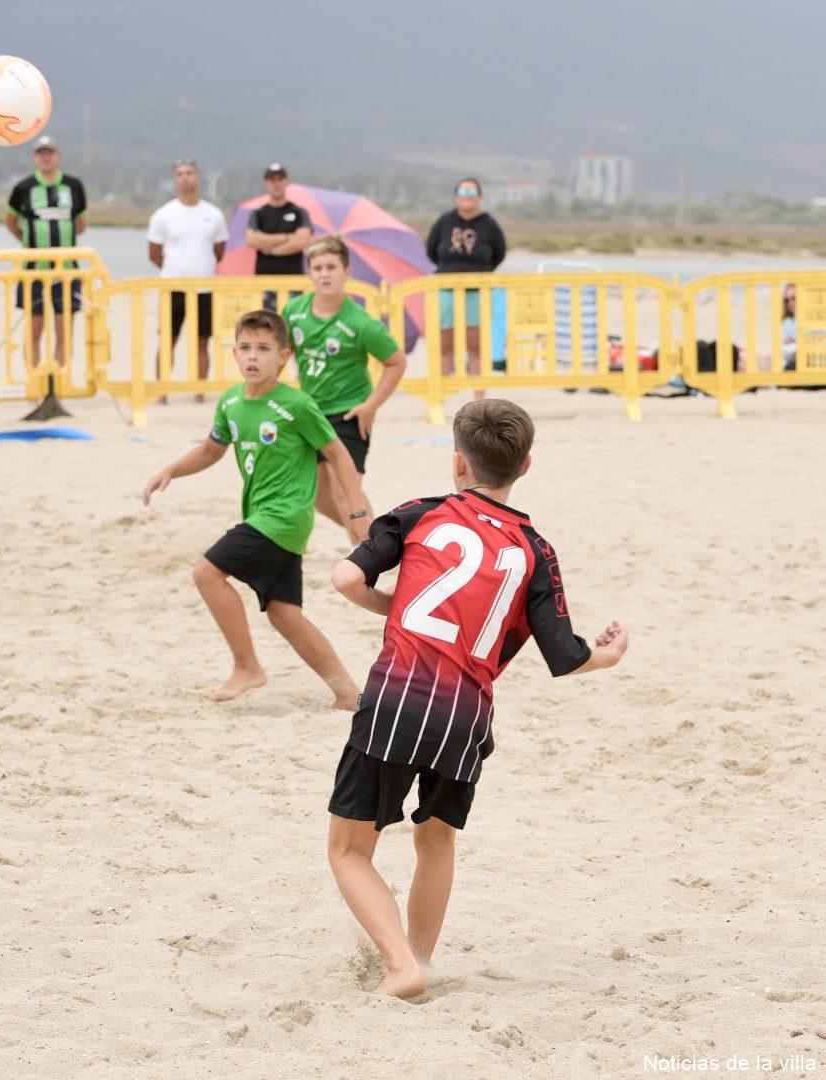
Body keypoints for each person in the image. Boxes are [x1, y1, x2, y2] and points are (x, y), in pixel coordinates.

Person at [325, 398, 628, 998]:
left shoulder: (422, 514)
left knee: (349, 850)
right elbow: (565, 656)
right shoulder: (535, 550)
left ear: (458, 462)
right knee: (435, 836)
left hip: (397, 699)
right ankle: (420, 958)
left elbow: (345, 579)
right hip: (466, 716)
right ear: (526, 466)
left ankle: (399, 966)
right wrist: (609, 656)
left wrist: (396, 608)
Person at [143, 309, 370, 706]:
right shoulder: (231, 402)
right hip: (264, 518)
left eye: (263, 349)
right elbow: (211, 450)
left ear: (283, 356)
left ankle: (247, 667)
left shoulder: (296, 404)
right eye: (245, 348)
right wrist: (172, 471)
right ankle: (348, 693)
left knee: (206, 573)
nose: (252, 356)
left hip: (283, 518)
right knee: (285, 614)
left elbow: (338, 455)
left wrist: (356, 512)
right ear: (234, 353)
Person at [283, 236, 406, 539]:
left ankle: (367, 550)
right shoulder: (294, 312)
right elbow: (282, 354)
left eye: (331, 267)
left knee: (345, 493)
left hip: (348, 413)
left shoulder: (361, 322)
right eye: (318, 267)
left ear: (347, 272)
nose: (324, 273)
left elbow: (396, 362)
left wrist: (370, 405)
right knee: (310, 492)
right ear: (310, 273)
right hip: (310, 412)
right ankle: (374, 539)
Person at [5, 135, 88, 377]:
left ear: (58, 156)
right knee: (34, 329)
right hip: (34, 271)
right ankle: (35, 381)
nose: (46, 157)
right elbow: (11, 222)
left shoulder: (74, 186)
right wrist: (30, 241)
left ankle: (58, 381)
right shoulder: (24, 188)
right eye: (41, 153)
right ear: (35, 157)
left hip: (67, 269)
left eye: (50, 152)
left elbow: (81, 223)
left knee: (64, 330)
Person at [146, 159, 229, 399]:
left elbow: (219, 250)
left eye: (189, 173)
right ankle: (162, 391)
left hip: (204, 287)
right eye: (180, 174)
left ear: (198, 177)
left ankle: (200, 391)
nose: (185, 178)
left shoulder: (213, 214)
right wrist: (174, 268)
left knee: (202, 341)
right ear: (175, 180)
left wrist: (201, 268)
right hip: (173, 286)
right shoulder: (164, 215)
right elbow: (154, 252)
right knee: (168, 339)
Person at [425, 178, 506, 402]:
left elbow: (499, 253)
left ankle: (478, 399)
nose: (467, 195)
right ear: (455, 196)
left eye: (472, 191)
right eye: (462, 191)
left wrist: (478, 272)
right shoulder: (445, 221)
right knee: (445, 346)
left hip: (476, 293)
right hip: (446, 291)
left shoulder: (489, 224)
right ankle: (439, 397)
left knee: (476, 347)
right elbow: (432, 251)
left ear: (479, 196)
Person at [245, 163, 312, 310]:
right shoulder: (258, 213)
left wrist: (270, 249)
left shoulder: (299, 212)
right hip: (265, 282)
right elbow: (252, 239)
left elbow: (301, 241)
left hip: (293, 282)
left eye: (280, 179)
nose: (276, 184)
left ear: (286, 182)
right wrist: (287, 237)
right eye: (272, 180)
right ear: (266, 183)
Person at [781, 284, 797, 371]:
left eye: (794, 298)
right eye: (787, 300)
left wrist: (794, 342)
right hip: (795, 365)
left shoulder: (816, 320)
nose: (791, 303)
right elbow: (783, 348)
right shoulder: (787, 322)